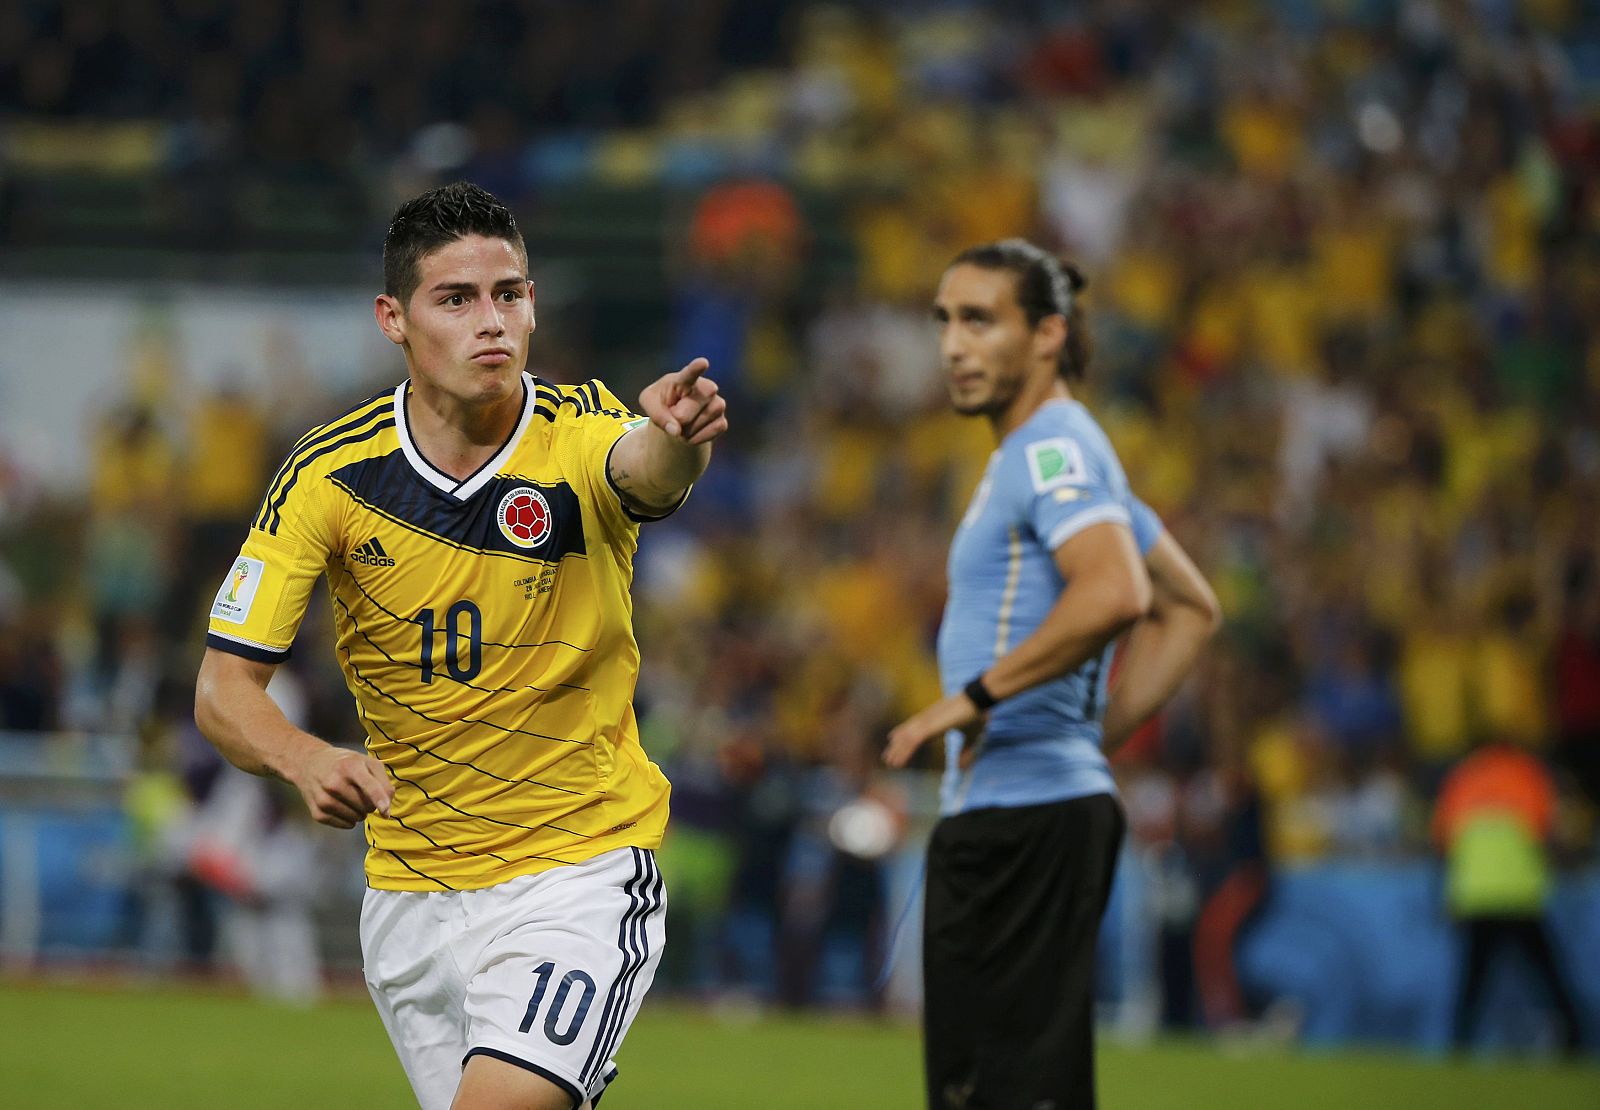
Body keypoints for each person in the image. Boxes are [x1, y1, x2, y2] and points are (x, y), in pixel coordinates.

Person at [194, 181, 727, 1110]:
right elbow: (223, 688)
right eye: (458, 299)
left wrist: (678, 437)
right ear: (393, 319)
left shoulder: (579, 436)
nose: (494, 322)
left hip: (576, 875)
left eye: (510, 294)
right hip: (411, 898)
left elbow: (646, 467)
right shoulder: (329, 475)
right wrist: (303, 755)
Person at [885, 239, 1217, 1110]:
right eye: (944, 322)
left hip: (1019, 822)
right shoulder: (1056, 454)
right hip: (1028, 808)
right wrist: (1087, 733)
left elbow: (1116, 592)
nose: (954, 345)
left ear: (1047, 334)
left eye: (980, 320)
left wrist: (976, 697)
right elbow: (1190, 609)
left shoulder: (1051, 446)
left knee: (994, 1095)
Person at [1434, 739, 1585, 1055]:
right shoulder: (1526, 774)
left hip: (1476, 893)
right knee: (1547, 973)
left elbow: (1443, 838)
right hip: (1518, 893)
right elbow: (1547, 830)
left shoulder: (1464, 776)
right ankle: (1574, 1038)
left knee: (1474, 979)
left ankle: (1459, 1044)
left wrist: (1446, 893)